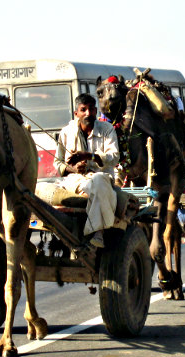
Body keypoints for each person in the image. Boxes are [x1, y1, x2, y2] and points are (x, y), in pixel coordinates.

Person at [54, 93, 120, 248]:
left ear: (96, 111)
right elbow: (58, 163)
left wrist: (91, 156)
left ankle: (98, 232)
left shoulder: (106, 129)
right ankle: (96, 229)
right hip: (75, 180)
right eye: (83, 110)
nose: (88, 113)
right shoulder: (66, 133)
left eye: (91, 109)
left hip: (101, 178)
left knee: (98, 181)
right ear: (76, 113)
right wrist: (74, 168)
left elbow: (114, 157)